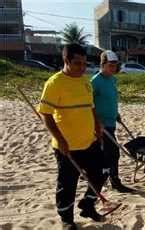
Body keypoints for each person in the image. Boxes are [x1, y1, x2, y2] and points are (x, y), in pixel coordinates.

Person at [37, 44, 107, 229]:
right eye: (77, 63)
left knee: (101, 173)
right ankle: (66, 219)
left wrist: (97, 128)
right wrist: (60, 139)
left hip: (89, 141)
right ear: (66, 61)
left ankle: (87, 205)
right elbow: (45, 113)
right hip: (67, 146)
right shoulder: (54, 83)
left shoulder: (85, 81)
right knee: (68, 184)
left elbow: (90, 107)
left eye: (85, 63)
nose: (82, 67)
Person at [91, 50, 134, 193]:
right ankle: (114, 181)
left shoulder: (112, 79)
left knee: (106, 153)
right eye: (110, 65)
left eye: (115, 65)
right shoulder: (95, 81)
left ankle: (103, 177)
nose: (113, 68)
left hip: (111, 122)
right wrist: (97, 122)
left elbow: (111, 99)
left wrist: (116, 114)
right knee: (113, 152)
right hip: (101, 125)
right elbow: (89, 104)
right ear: (102, 65)